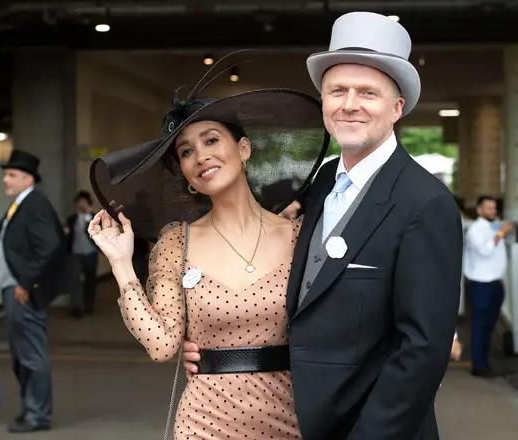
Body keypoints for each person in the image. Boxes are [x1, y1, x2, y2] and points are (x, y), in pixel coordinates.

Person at [183, 12, 463, 440]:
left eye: (368, 92)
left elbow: (423, 351)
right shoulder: (323, 181)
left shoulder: (424, 203)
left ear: (397, 107)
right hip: (301, 421)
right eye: (338, 91)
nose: (349, 104)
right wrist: (222, 347)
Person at [87, 68, 328, 439]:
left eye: (211, 140)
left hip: (291, 418)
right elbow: (162, 346)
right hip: (205, 423)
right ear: (185, 172)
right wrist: (121, 264)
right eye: (186, 151)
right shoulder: (175, 243)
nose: (200, 156)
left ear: (244, 149)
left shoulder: (302, 236)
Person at [0, 149, 64, 433]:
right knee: (22, 355)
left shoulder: (34, 204)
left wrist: (27, 282)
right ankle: (30, 409)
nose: (5, 180)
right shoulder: (21, 204)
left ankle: (37, 414)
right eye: (5, 175)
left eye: (11, 175)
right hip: (14, 288)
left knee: (32, 354)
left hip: (22, 291)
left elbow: (49, 244)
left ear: (27, 179)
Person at [463, 195, 513, 377]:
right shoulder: (475, 230)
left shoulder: (493, 227)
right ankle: (479, 366)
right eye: (488, 208)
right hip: (481, 284)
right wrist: (501, 233)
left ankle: (484, 361)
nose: (492, 211)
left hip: (495, 284)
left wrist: (501, 230)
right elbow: (485, 250)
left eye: (494, 208)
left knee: (489, 325)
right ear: (479, 210)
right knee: (480, 325)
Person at [64, 190, 99, 318]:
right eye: (79, 202)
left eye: (83, 202)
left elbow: (97, 233)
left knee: (90, 280)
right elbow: (67, 232)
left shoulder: (93, 218)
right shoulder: (72, 219)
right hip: (75, 254)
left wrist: (88, 216)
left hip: (90, 253)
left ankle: (89, 305)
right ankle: (76, 307)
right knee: (75, 280)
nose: (81, 204)